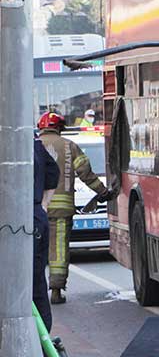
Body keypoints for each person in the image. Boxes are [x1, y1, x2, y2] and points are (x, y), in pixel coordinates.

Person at [37, 112, 111, 304]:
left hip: (34, 211)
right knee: (59, 249)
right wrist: (103, 192)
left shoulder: (32, 146)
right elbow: (86, 174)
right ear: (60, 128)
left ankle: (31, 292)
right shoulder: (70, 146)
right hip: (62, 211)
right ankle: (56, 288)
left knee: (34, 250)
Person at [34, 138, 59, 331]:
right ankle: (42, 336)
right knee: (36, 280)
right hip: (36, 217)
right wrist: (43, 205)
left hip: (17, 221)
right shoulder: (35, 142)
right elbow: (53, 173)